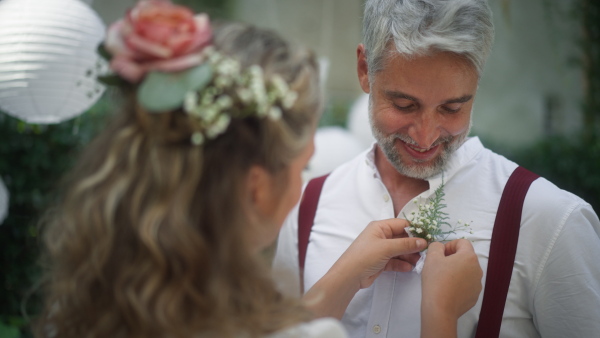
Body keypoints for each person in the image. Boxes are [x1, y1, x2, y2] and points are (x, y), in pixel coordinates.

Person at [34, 1, 483, 337]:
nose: (425, 136)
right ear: (255, 188)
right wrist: (440, 316)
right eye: (303, 167)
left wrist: (346, 273)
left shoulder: (79, 315)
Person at [273, 0, 600, 337]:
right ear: (364, 70)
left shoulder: (551, 220)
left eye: (451, 108)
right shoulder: (306, 204)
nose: (426, 136)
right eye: (404, 105)